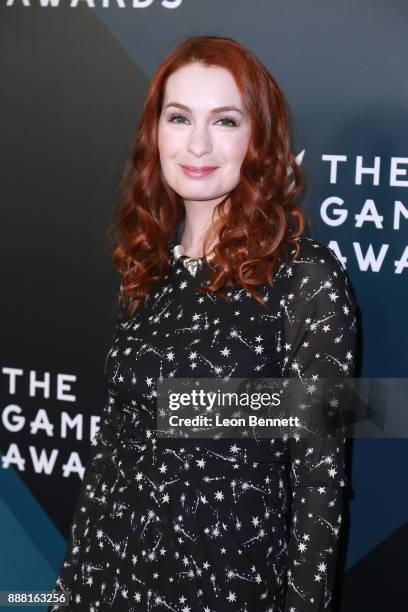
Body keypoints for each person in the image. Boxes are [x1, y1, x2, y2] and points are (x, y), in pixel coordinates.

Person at [49, 36, 358, 611]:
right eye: (179, 117)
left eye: (225, 120)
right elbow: (113, 449)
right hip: (105, 582)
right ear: (156, 134)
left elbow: (320, 485)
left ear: (259, 139)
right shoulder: (147, 266)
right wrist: (68, 590)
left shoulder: (304, 279)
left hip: (222, 593)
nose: (197, 143)